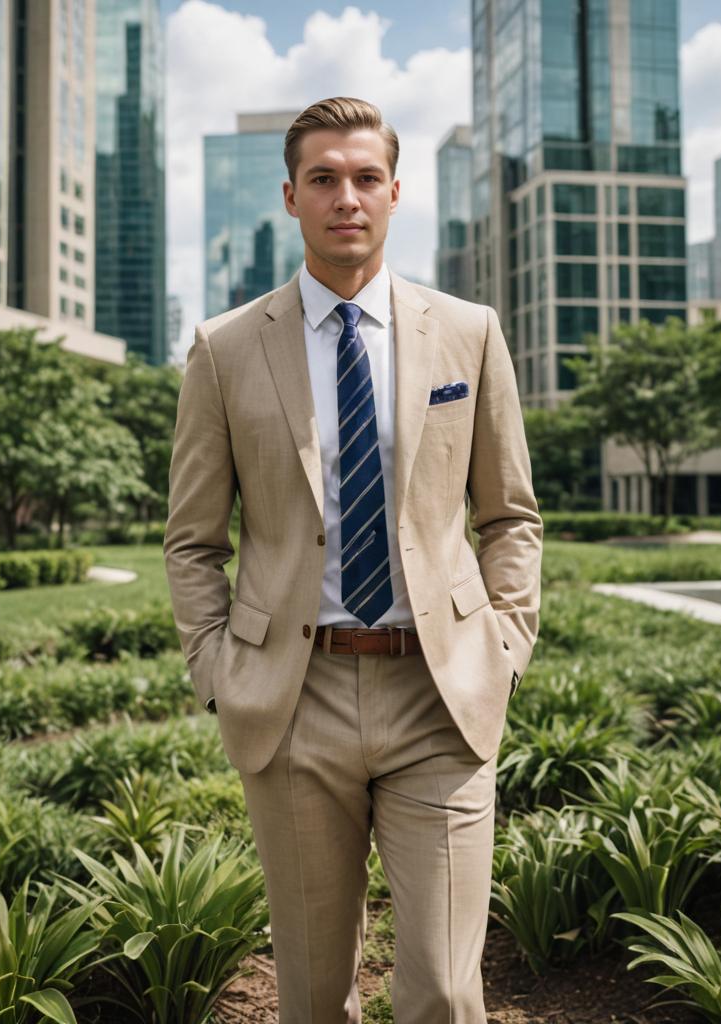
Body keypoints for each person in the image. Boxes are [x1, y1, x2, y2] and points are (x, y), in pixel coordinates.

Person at [163, 96, 542, 1024]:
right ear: (291, 197)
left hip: (439, 694)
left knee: (447, 992)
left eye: (365, 177)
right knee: (311, 993)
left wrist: (505, 644)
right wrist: (219, 669)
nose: (347, 197)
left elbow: (510, 515)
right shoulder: (223, 348)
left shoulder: (469, 331)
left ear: (395, 192)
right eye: (324, 179)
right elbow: (193, 538)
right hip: (294, 698)